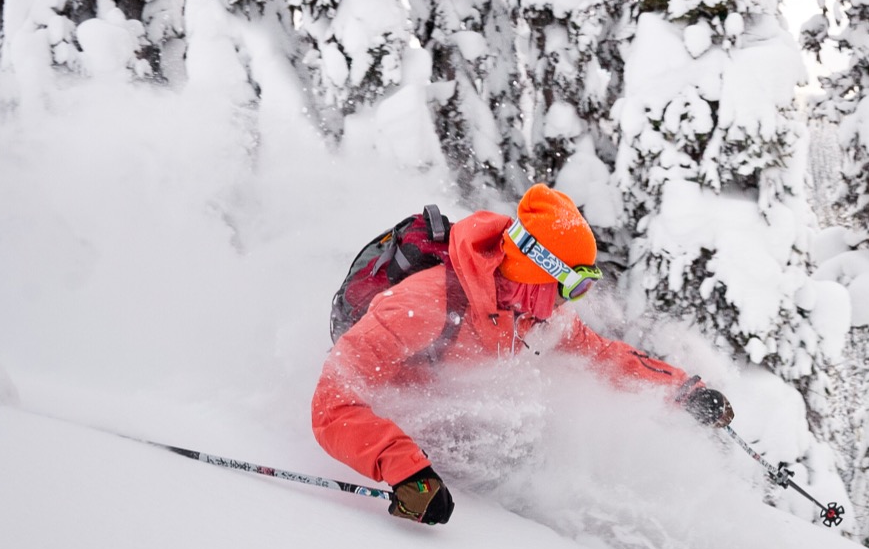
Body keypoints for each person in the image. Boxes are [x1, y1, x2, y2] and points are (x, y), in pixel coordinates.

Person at [312, 184, 734, 524]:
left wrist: (680, 389)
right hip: (400, 425)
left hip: (457, 421)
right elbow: (331, 404)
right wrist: (406, 471)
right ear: (537, 272)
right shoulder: (426, 303)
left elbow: (602, 356)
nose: (573, 301)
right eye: (573, 285)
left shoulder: (533, 312)